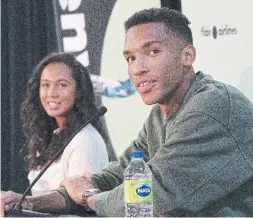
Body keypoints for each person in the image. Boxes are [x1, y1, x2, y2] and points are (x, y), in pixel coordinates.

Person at [2, 8, 253, 217]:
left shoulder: (211, 107)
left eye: (152, 52)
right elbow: (118, 174)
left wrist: (89, 197)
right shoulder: (161, 114)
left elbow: (151, 196)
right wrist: (28, 204)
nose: (137, 69)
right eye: (130, 58)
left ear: (187, 56)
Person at [10, 52, 110, 196]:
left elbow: (82, 202)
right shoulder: (51, 136)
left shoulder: (85, 139)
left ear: (79, 91)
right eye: (45, 85)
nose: (51, 93)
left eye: (62, 85)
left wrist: (29, 204)